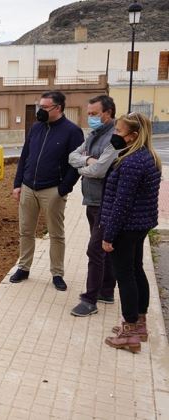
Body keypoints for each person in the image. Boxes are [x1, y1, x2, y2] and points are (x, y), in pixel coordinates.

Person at [101, 112, 161, 353]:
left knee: (124, 276)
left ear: (133, 136)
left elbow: (121, 204)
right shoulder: (148, 157)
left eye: (119, 132)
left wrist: (109, 235)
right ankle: (139, 326)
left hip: (126, 227)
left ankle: (129, 333)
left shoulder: (132, 162)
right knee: (136, 270)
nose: (115, 135)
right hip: (140, 224)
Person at [11, 91, 83, 291]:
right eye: (39, 106)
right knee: (25, 231)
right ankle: (24, 268)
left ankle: (57, 273)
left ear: (58, 108)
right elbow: (24, 156)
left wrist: (62, 189)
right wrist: (18, 184)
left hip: (52, 190)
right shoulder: (35, 128)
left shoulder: (72, 131)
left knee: (56, 234)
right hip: (28, 188)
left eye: (44, 107)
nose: (40, 111)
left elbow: (75, 165)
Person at [68, 95, 119, 316]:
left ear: (108, 113)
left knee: (95, 250)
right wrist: (88, 161)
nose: (90, 118)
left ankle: (90, 300)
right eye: (88, 114)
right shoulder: (93, 135)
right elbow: (72, 156)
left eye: (94, 114)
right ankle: (107, 291)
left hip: (106, 202)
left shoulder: (115, 138)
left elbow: (100, 171)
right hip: (92, 200)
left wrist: (84, 167)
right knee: (102, 250)